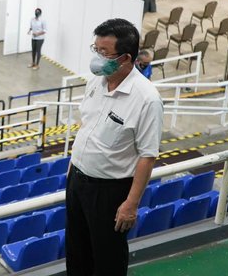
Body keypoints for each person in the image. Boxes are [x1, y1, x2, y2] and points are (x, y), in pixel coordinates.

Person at [65, 18, 163, 276]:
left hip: (109, 191)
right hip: (77, 182)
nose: (97, 57)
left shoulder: (147, 99)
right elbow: (87, 126)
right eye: (95, 50)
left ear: (125, 58)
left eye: (104, 52)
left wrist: (131, 203)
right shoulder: (95, 82)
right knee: (77, 253)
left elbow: (147, 155)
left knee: (107, 259)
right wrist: (73, 164)